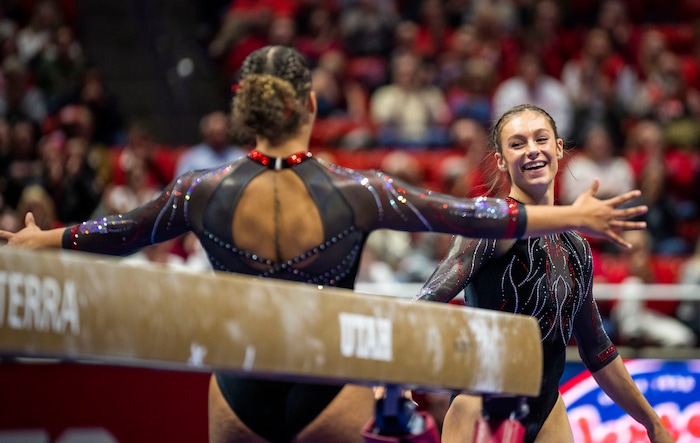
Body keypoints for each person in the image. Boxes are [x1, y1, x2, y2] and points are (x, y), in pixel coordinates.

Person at [0, 47, 648, 443]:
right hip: (329, 390)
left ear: (244, 115)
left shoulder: (199, 191)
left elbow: (119, 234)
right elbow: (474, 216)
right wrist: (574, 212)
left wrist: (46, 239)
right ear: (312, 105)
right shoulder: (354, 189)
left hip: (237, 391)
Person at [414, 104, 674, 443]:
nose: (532, 150)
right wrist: (392, 375)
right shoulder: (490, 224)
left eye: (541, 139)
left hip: (548, 410)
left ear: (559, 147)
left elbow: (597, 349)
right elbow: (428, 299)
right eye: (517, 144)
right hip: (483, 409)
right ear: (501, 161)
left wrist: (652, 423)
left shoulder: (576, 247)